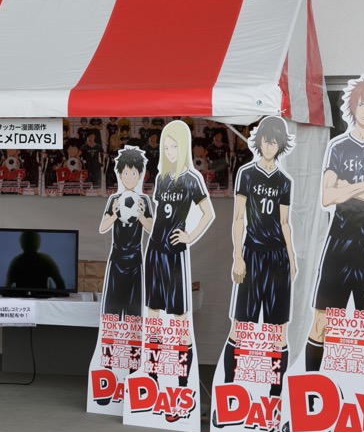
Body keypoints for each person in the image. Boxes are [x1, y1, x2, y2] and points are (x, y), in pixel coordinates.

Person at [304, 74, 364, 395]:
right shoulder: (338, 146)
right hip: (339, 243)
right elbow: (328, 195)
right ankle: (310, 395)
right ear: (351, 107)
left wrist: (350, 187)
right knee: (321, 321)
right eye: (360, 104)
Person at [224, 117, 296, 396]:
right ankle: (230, 389)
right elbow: (238, 218)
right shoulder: (247, 174)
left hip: (278, 257)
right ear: (259, 142)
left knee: (278, 330)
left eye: (274, 142)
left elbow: (285, 222)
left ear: (280, 145)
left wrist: (292, 259)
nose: (269, 146)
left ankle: (275, 396)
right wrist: (237, 256)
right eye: (266, 141)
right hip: (252, 254)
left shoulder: (284, 181)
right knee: (240, 325)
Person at [144, 119, 215, 387]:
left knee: (179, 314)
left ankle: (183, 380)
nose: (170, 151)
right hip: (154, 251)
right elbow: (159, 217)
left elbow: (207, 213)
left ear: (183, 147)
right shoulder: (161, 178)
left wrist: (190, 236)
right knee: (153, 310)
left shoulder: (191, 179)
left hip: (175, 253)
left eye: (174, 146)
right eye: (166, 147)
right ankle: (152, 373)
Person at [99, 146, 153, 322]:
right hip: (117, 257)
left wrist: (142, 216)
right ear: (120, 174)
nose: (130, 177)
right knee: (113, 308)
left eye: (134, 173)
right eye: (126, 173)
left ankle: (132, 336)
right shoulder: (114, 199)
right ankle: (113, 334)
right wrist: (114, 214)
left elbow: (152, 229)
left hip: (135, 258)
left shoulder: (143, 200)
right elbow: (103, 227)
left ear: (140, 175)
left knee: (133, 309)